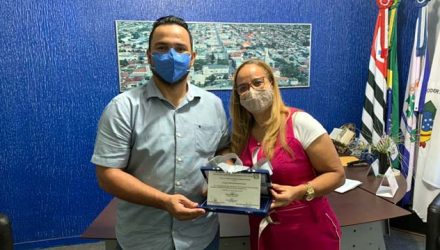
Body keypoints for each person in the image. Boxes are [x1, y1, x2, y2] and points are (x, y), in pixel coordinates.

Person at [91, 16, 230, 250]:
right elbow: (108, 175)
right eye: (162, 48)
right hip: (143, 239)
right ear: (149, 56)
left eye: (180, 48)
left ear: (192, 57)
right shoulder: (123, 107)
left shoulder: (213, 104)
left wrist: (222, 177)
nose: (172, 55)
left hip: (201, 235)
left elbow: (222, 149)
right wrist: (165, 202)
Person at [230, 59, 345, 250]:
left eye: (257, 83)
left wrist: (299, 191)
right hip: (264, 232)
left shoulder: (300, 122)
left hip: (307, 231)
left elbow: (337, 175)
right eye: (243, 88)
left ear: (272, 84)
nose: (251, 91)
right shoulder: (241, 135)